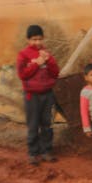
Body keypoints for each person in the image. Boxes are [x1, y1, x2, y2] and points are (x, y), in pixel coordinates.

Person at [16, 24, 60, 165]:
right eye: (34, 39)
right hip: (32, 96)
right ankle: (33, 153)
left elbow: (55, 73)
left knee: (47, 124)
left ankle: (46, 151)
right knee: (33, 124)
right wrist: (37, 64)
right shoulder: (23, 55)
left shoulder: (47, 53)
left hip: (47, 94)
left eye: (40, 39)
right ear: (28, 40)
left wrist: (49, 60)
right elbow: (22, 74)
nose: (37, 42)